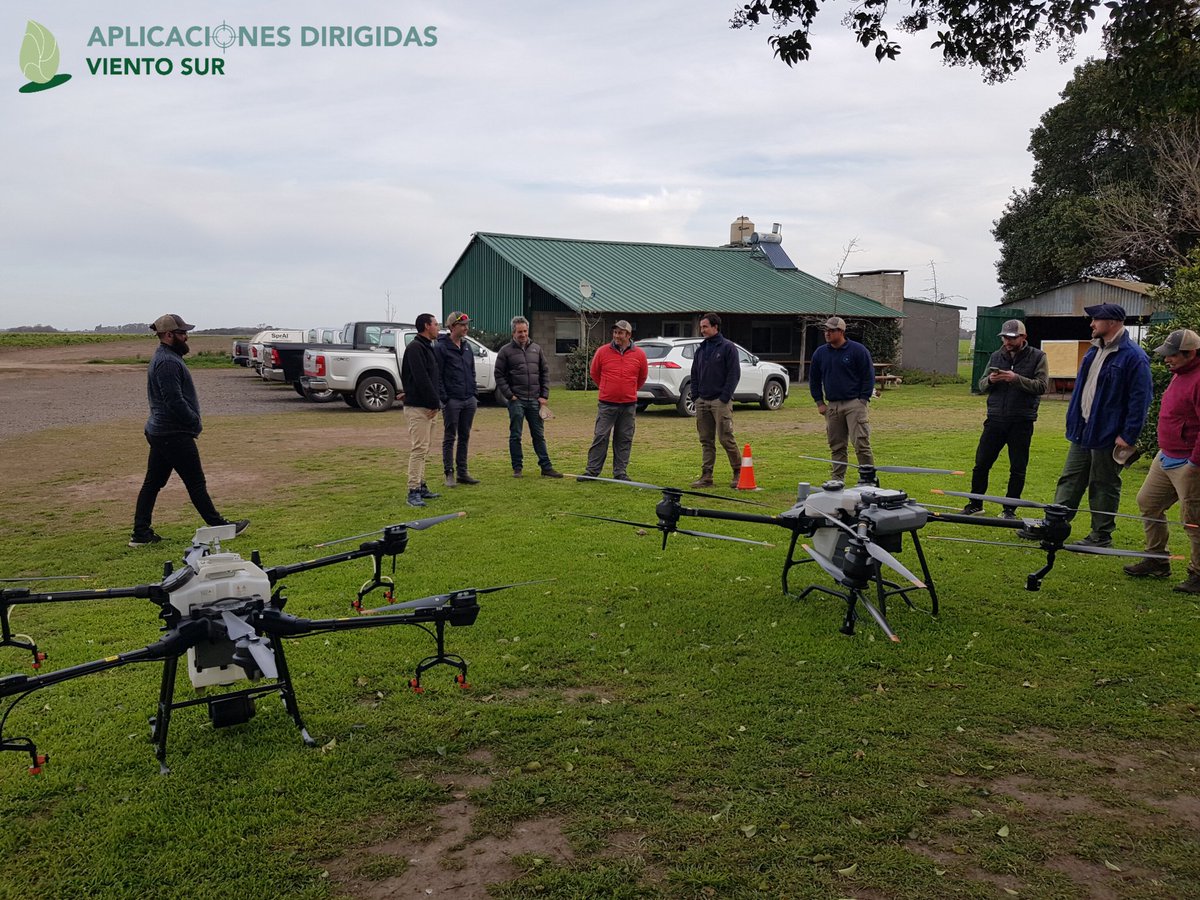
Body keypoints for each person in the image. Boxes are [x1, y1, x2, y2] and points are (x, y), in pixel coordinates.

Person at [1038, 303, 1152, 548]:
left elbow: (1140, 400)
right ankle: (1054, 525)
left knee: (1103, 483)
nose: (1091, 324)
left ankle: (1101, 535)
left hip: (1109, 433)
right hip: (1083, 430)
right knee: (1070, 478)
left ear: (1112, 322)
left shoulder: (1134, 357)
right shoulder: (1093, 351)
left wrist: (1128, 435)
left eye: (1096, 319)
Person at [130, 314, 248, 547]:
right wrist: (193, 422)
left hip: (161, 431)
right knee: (195, 482)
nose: (186, 337)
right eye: (182, 333)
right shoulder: (167, 362)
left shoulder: (167, 357)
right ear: (168, 335)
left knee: (153, 483)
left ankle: (140, 533)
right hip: (173, 433)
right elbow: (173, 401)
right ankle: (219, 526)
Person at [1123, 328, 1200, 592]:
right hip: (1166, 455)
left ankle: (1198, 573)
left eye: (1172, 355)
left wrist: (1194, 464)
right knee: (1148, 502)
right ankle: (1156, 560)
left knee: (1193, 519)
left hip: (1189, 463)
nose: (1166, 359)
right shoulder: (1180, 374)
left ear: (1191, 353)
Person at [963, 319, 1049, 518]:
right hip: (995, 419)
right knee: (981, 464)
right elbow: (981, 384)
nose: (1007, 342)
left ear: (1023, 337)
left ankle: (1009, 509)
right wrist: (990, 380)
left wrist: (1015, 379)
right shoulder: (996, 356)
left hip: (1022, 420)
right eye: (1004, 337)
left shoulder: (1038, 356)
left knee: (1017, 468)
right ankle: (975, 504)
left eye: (1012, 338)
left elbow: (1041, 386)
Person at [808, 316, 876, 482]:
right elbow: (814, 379)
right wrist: (819, 402)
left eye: (832, 330)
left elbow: (868, 376)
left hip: (854, 403)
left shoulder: (858, 350)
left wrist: (863, 400)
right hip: (832, 406)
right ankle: (837, 480)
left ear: (841, 331)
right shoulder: (820, 353)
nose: (827, 333)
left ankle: (868, 479)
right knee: (836, 445)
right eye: (826, 330)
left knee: (861, 443)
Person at [495, 316, 563, 478]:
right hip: (516, 400)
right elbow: (499, 375)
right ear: (513, 332)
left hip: (534, 400)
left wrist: (544, 395)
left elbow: (544, 373)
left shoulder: (536, 349)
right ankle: (517, 468)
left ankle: (546, 467)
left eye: (525, 331)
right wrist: (509, 395)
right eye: (520, 332)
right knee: (516, 435)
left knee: (539, 435)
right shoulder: (505, 351)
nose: (523, 335)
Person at [582, 320, 648, 480]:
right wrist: (607, 387)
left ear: (628, 335)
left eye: (620, 333)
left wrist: (628, 389)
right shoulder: (602, 352)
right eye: (615, 332)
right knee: (600, 437)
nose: (617, 336)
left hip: (628, 405)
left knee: (624, 439)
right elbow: (594, 373)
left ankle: (620, 472)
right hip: (607, 404)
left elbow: (642, 377)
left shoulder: (639, 354)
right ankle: (592, 472)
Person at [688, 313, 742, 488]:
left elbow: (734, 374)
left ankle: (738, 472)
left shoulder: (728, 347)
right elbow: (694, 374)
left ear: (715, 327)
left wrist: (724, 396)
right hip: (702, 401)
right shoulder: (701, 349)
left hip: (720, 401)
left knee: (726, 438)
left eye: (705, 326)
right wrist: (696, 396)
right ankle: (706, 476)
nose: (702, 330)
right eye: (701, 327)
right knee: (706, 440)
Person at [400, 313, 443, 507]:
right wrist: (434, 402)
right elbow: (420, 378)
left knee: (425, 448)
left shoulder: (428, 347)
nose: (438, 328)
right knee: (418, 449)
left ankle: (422, 485)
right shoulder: (415, 348)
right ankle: (413, 490)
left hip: (429, 407)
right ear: (426, 326)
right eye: (435, 324)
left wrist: (435, 402)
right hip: (418, 408)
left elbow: (433, 378)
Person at [435, 311, 480, 487]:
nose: (466, 328)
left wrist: (474, 393)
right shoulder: (441, 347)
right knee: (449, 437)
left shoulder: (467, 347)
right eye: (463, 325)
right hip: (452, 400)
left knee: (464, 436)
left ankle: (463, 472)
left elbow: (472, 370)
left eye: (467, 325)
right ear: (453, 327)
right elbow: (438, 375)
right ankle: (449, 473)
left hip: (469, 399)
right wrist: (445, 398)